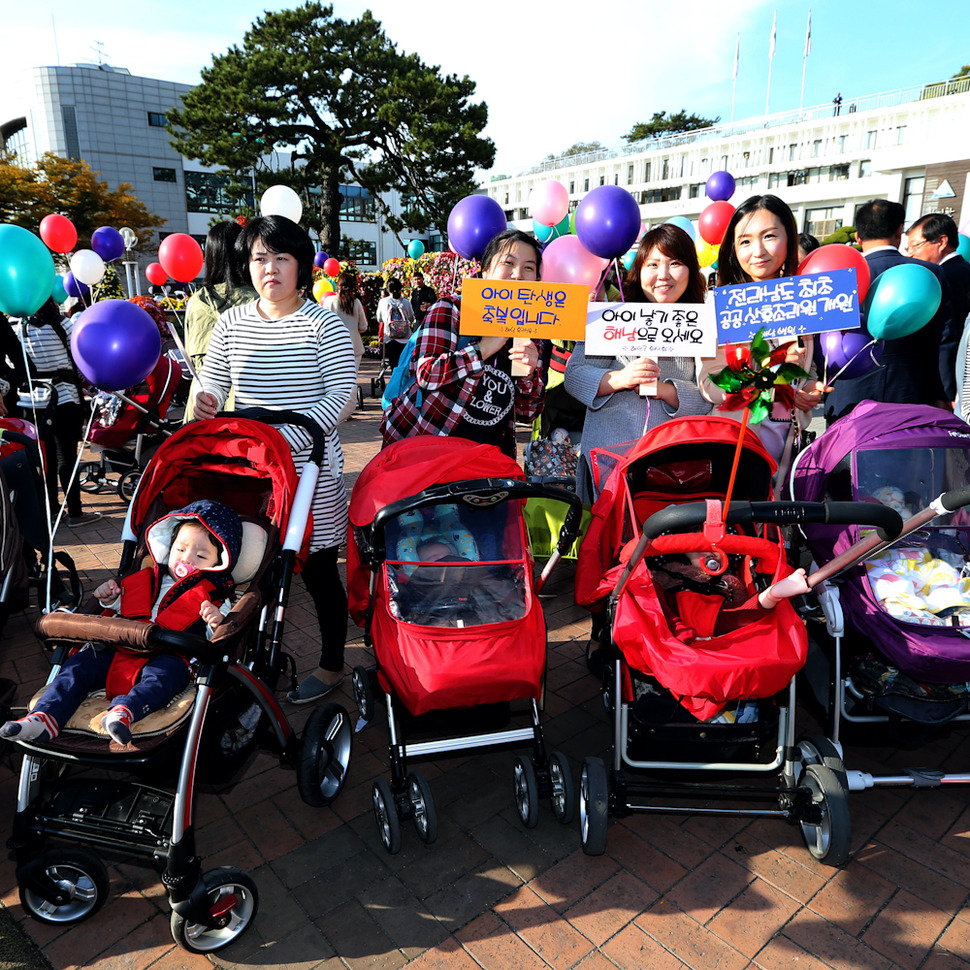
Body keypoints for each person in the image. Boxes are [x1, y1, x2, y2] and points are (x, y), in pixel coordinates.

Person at [194, 215, 356, 705]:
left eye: (282, 257)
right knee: (248, 565)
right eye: (260, 257)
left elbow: (344, 394)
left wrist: (287, 437)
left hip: (311, 471)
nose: (270, 268)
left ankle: (331, 665)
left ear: (301, 266)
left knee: (320, 570)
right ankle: (244, 656)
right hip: (251, 473)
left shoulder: (322, 321)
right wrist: (206, 398)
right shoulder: (231, 322)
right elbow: (214, 380)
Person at [0, 500, 241, 745]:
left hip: (169, 653)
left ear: (218, 561)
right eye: (179, 550)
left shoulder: (216, 595)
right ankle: (45, 716)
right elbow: (119, 608)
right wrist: (110, 599)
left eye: (201, 555)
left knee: (166, 676)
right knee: (78, 666)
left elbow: (220, 636)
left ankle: (125, 711)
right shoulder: (145, 577)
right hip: (119, 646)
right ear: (169, 549)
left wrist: (215, 620)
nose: (187, 559)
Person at [564, 224, 712, 503]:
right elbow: (574, 375)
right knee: (608, 542)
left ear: (691, 269)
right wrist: (620, 378)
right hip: (607, 465)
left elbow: (710, 396)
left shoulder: (700, 324)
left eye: (676, 263)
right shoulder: (612, 316)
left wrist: (667, 390)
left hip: (671, 466)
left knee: (666, 542)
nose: (663, 275)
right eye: (653, 264)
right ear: (639, 271)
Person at [380, 228, 543, 461]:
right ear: (486, 272)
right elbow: (427, 374)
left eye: (528, 267)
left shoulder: (528, 328)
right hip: (425, 459)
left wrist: (528, 374)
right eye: (508, 263)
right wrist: (483, 349)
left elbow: (527, 413)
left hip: (484, 468)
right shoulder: (452, 309)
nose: (518, 275)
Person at [698, 194, 822, 470]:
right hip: (738, 448)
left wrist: (811, 389)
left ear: (789, 238)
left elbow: (808, 370)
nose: (758, 251)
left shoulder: (804, 298)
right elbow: (709, 385)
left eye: (769, 236)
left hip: (793, 447)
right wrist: (770, 374)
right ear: (733, 248)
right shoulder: (720, 304)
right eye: (745, 241)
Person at [824, 199, 951, 424]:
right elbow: (944, 341)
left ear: (858, 237)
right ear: (899, 231)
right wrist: (943, 394)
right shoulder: (931, 273)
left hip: (848, 395)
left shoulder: (836, 275)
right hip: (911, 393)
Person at [13, 297, 101, 529]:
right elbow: (81, 359)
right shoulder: (62, 325)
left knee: (45, 460)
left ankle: (51, 511)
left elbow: (11, 365)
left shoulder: (15, 326)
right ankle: (75, 512)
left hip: (29, 402)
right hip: (63, 399)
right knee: (66, 458)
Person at [182, 222, 257, 422]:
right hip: (250, 407)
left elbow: (190, 358)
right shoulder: (262, 301)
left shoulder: (197, 302)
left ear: (211, 256)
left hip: (202, 406)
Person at [906, 213, 970, 404]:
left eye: (916, 246)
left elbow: (948, 338)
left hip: (951, 383)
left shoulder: (943, 277)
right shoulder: (964, 270)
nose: (911, 253)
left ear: (941, 242)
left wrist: (946, 393)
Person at [322, 271, 369, 423]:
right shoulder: (355, 303)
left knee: (333, 381)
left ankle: (333, 411)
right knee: (351, 380)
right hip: (354, 347)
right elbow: (363, 326)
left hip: (333, 348)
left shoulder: (329, 301)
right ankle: (348, 411)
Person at [376, 277, 415, 368]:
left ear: (388, 289)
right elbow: (411, 318)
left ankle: (394, 379)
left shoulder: (383, 302)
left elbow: (379, 318)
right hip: (405, 338)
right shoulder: (406, 302)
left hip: (390, 337)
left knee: (393, 364)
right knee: (404, 364)